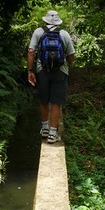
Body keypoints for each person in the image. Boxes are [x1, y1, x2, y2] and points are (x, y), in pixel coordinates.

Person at [27, 10, 75, 143]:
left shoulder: (38, 32)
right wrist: (66, 62)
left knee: (43, 99)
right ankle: (53, 134)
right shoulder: (64, 34)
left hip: (42, 70)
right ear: (58, 21)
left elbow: (31, 52)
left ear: (45, 20)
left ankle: (45, 128)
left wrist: (30, 71)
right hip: (61, 71)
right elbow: (71, 56)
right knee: (56, 102)